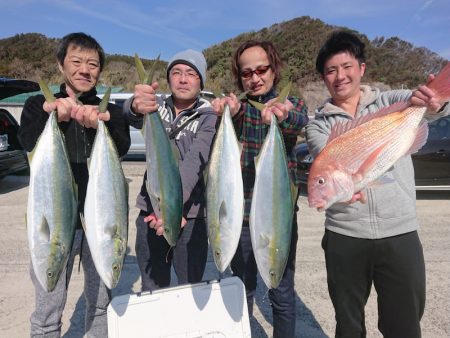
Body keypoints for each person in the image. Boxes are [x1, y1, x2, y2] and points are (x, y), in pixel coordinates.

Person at [305, 30, 450, 338]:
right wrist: (334, 190)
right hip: (345, 237)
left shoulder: (393, 100)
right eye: (331, 70)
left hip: (400, 232)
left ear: (362, 68)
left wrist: (435, 102)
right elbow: (331, 168)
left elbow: (430, 107)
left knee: (405, 325)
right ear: (323, 77)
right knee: (348, 324)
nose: (340, 76)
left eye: (347, 66)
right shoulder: (318, 126)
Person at [18, 32, 130, 338]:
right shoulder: (37, 104)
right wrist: (56, 118)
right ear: (60, 65)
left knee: (99, 303)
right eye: (77, 61)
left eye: (92, 64)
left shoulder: (111, 111)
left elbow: (120, 148)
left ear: (100, 70)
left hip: (100, 218)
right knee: (47, 305)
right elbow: (27, 141)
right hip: (57, 218)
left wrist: (99, 126)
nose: (85, 69)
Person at [211, 40, 309, 338]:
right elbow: (238, 120)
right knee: (243, 290)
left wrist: (282, 115)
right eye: (246, 73)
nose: (254, 78)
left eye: (261, 70)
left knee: (281, 292)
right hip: (240, 217)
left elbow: (298, 121)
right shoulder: (239, 107)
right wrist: (231, 111)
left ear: (273, 68)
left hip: (277, 217)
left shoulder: (291, 101)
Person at [123, 49, 217, 291]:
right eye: (176, 72)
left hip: (192, 215)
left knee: (190, 287)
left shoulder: (208, 117)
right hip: (149, 211)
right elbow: (128, 113)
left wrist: (171, 209)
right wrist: (135, 104)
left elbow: (195, 162)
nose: (183, 79)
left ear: (201, 81)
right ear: (169, 78)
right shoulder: (154, 106)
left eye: (191, 73)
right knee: (152, 286)